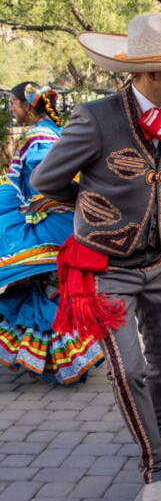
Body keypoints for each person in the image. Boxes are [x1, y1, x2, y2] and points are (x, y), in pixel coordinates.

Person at [30, 13, 161, 501]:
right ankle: (156, 465)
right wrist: (92, 206)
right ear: (148, 73)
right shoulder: (96, 118)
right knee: (130, 371)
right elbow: (45, 181)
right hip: (107, 268)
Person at [0, 82, 104, 384]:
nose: (11, 108)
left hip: (53, 223)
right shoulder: (51, 131)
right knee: (48, 286)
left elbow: (44, 178)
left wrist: (35, 204)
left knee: (44, 285)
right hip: (63, 220)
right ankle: (64, 362)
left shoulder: (38, 137)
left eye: (13, 103)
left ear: (27, 105)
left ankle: (65, 360)